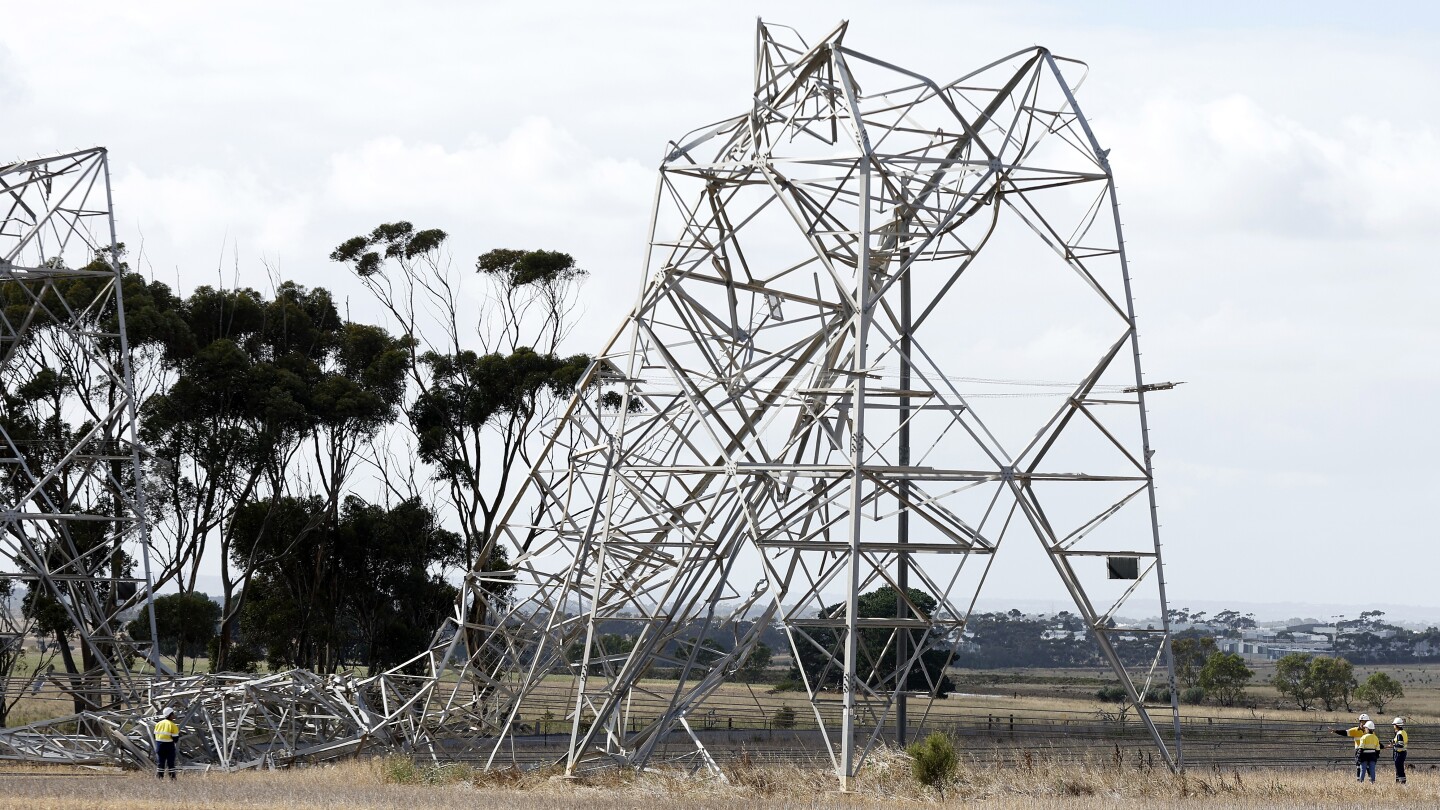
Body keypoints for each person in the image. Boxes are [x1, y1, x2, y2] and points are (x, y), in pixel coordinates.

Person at [1333, 713, 1371, 780]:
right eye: (1363, 721)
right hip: (1359, 750)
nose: (1365, 723)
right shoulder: (1355, 730)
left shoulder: (1370, 731)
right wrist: (1336, 731)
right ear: (1360, 722)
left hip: (1367, 750)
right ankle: (1358, 780)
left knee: (1368, 766)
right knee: (1358, 766)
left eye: (1366, 722)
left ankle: (1371, 780)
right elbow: (1345, 732)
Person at [153, 707, 180, 780]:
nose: (174, 715)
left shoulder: (158, 724)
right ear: (170, 715)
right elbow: (176, 739)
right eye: (173, 714)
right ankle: (172, 778)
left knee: (160, 762)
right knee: (170, 763)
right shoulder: (172, 725)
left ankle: (159, 778)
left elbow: (154, 735)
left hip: (159, 745)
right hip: (169, 746)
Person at [1385, 717, 1408, 784]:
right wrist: (1393, 741)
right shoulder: (1403, 732)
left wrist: (1393, 745)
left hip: (1399, 753)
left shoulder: (1399, 734)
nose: (1393, 726)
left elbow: (1400, 744)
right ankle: (1399, 782)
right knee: (1400, 768)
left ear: (1396, 725)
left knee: (1399, 768)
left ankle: (1401, 782)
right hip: (1403, 752)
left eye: (1394, 725)